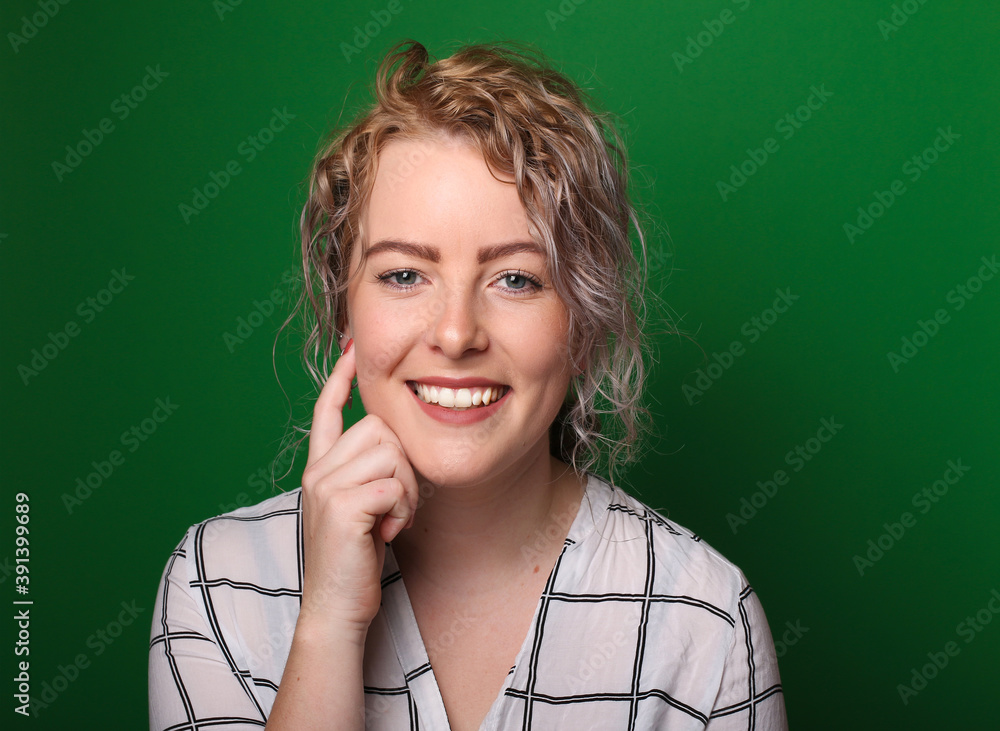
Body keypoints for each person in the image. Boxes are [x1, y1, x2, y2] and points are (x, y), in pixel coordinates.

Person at [148, 40, 788, 730]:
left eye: (516, 278)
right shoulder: (217, 582)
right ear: (344, 309)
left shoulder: (704, 617)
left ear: (584, 320)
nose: (456, 334)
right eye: (403, 275)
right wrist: (329, 623)